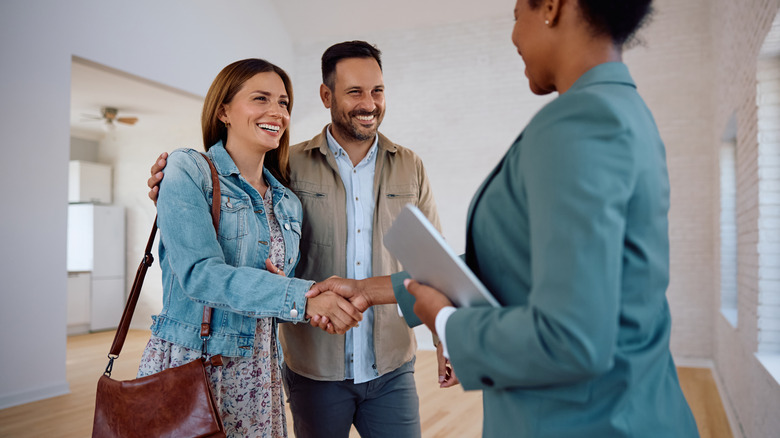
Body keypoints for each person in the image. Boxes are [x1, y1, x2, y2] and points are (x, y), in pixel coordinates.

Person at [307, 1, 702, 436]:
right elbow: (514, 266)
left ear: (551, 7)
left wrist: (448, 324)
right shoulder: (620, 109)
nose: (514, 36)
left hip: (587, 420)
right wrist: (367, 289)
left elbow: (571, 339)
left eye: (517, 15)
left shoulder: (581, 123)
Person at [147, 42, 454, 438]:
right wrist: (171, 189)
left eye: (377, 90)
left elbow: (434, 262)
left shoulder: (404, 167)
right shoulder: (288, 165)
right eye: (355, 91)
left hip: (387, 361)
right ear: (326, 96)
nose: (369, 103)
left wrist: (442, 331)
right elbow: (211, 260)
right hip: (304, 366)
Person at [137, 58, 363, 438]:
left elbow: (275, 295)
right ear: (223, 110)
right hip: (195, 362)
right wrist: (304, 298)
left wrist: (316, 305)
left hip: (260, 371)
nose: (276, 111)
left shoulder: (287, 201)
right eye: (261, 99)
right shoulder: (186, 169)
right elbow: (199, 275)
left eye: (284, 103)